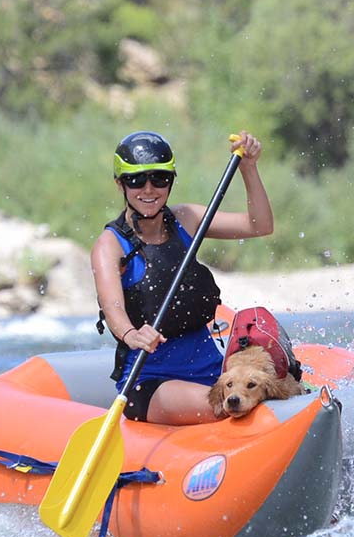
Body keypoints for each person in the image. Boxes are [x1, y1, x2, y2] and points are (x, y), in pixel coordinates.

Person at [92, 130, 273, 424]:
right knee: (227, 407)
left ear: (171, 181)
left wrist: (249, 169)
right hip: (149, 381)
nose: (149, 189)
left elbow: (259, 225)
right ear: (120, 184)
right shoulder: (110, 245)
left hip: (211, 370)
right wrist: (131, 334)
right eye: (136, 180)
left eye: (159, 179)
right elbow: (113, 307)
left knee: (269, 394)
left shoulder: (186, 219)